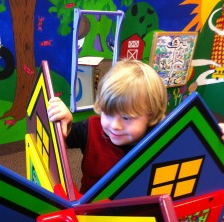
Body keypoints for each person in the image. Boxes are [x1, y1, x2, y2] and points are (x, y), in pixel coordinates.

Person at [47, 59, 224, 194]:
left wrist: (217, 132)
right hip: (91, 209)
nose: (115, 126)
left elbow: (197, 136)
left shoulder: (162, 135)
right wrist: (65, 121)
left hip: (140, 214)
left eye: (126, 118)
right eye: (107, 113)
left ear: (151, 116)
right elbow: (62, 141)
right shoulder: (91, 127)